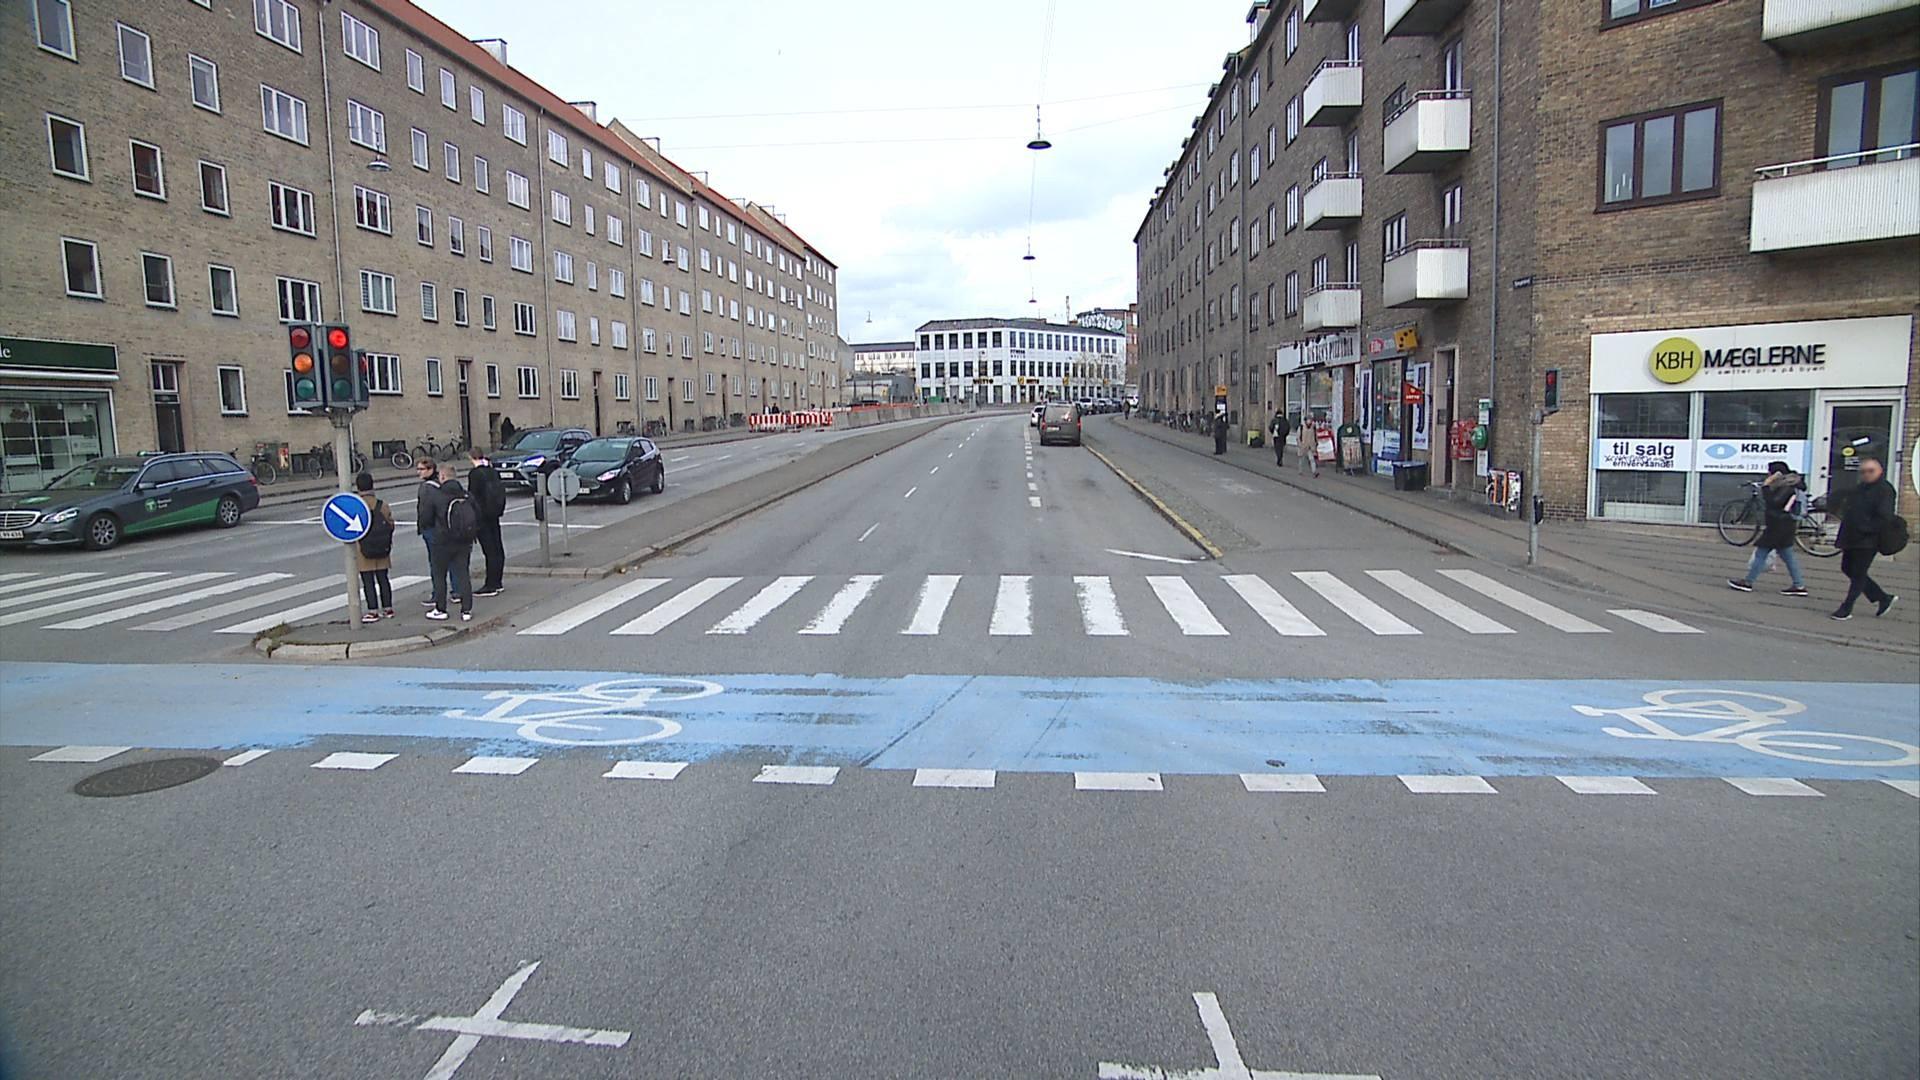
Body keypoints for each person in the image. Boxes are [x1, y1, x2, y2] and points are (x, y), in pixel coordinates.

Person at [1831, 456, 1899, 620]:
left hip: (1869, 539)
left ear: (1880, 471)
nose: (1866, 474)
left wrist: (1866, 528)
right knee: (1847, 568)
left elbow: (1885, 517)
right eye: (1863, 472)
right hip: (1852, 536)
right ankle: (1882, 597)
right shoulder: (1860, 488)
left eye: (1870, 471)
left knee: (1859, 573)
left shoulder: (1884, 489)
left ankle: (1846, 608)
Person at [1727, 461, 1808, 597]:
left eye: (1770, 472)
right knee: (1788, 556)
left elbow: (1773, 502)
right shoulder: (1790, 483)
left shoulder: (1787, 486)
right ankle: (1799, 585)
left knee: (1761, 552)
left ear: (1777, 474)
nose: (1768, 474)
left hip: (1778, 525)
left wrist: (1766, 486)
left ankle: (1748, 582)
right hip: (1785, 525)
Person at [421, 463, 475, 622]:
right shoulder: (466, 495)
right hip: (464, 541)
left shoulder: (437, 496)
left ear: (442, 477)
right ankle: (466, 610)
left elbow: (426, 518)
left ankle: (441, 609)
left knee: (439, 575)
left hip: (442, 541)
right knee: (463, 574)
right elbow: (476, 514)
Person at [352, 473, 397, 621]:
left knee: (368, 581)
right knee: (383, 579)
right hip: (382, 547)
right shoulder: (382, 505)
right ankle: (388, 608)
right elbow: (391, 524)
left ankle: (373, 610)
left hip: (363, 548)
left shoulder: (357, 505)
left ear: (358, 487)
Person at [466, 447, 507, 598]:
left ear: (471, 458)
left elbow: (473, 496)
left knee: (489, 551)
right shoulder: (492, 471)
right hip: (494, 513)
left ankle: (491, 585)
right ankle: (498, 581)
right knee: (497, 548)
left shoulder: (474, 474)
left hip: (482, 516)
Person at [413, 457, 440, 607]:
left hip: (431, 528)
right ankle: (456, 591)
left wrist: (423, 526)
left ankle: (437, 594)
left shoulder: (426, 488)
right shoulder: (440, 483)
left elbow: (425, 511)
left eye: (422, 469)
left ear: (431, 469)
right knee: (451, 562)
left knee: (435, 563)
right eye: (418, 469)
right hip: (443, 527)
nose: (419, 472)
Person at [1297, 412, 1321, 478]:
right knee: (1301, 459)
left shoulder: (1313, 428)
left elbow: (1315, 436)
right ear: (1305, 421)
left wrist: (1316, 444)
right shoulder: (1301, 427)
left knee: (1312, 459)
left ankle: (1314, 472)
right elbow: (1298, 437)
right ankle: (1300, 471)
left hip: (1311, 446)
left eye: (1310, 420)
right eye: (1308, 420)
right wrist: (1300, 444)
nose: (1309, 421)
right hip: (1303, 446)